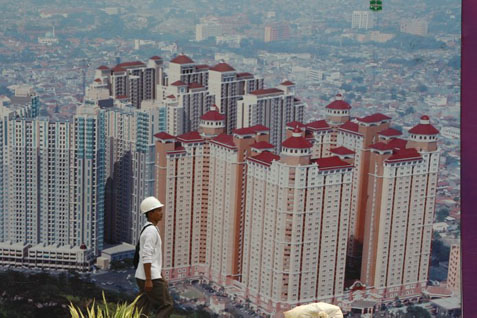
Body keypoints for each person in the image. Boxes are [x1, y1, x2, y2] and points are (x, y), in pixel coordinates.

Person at [135, 196, 173, 318]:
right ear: (151, 213)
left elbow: (153, 257)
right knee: (166, 305)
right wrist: (149, 279)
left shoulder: (147, 228)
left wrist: (159, 274)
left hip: (144, 275)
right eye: (158, 210)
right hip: (149, 277)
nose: (161, 213)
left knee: (142, 306)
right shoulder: (151, 231)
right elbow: (147, 256)